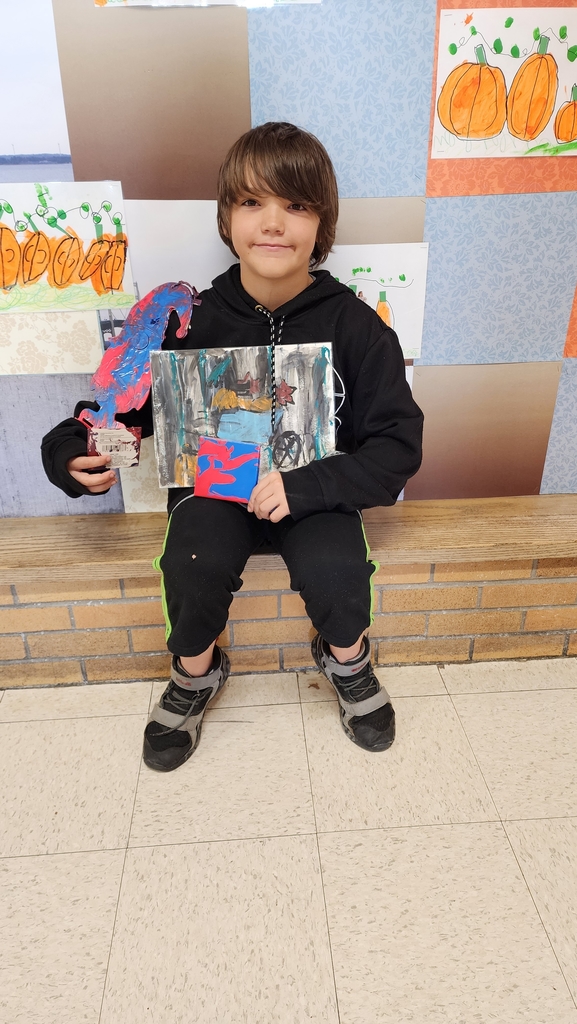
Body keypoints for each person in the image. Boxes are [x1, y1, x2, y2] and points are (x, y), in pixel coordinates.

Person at [41, 122, 423, 772]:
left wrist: (309, 487)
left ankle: (347, 658)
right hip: (213, 491)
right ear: (226, 216)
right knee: (190, 562)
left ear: (321, 222)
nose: (273, 223)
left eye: (296, 205)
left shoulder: (355, 327)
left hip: (314, 492)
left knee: (336, 572)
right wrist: (75, 446)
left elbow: (395, 449)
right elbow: (121, 407)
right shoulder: (185, 318)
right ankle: (196, 672)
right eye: (252, 202)